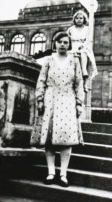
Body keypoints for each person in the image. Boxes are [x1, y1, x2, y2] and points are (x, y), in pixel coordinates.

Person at [30, 32, 84, 187]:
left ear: (69, 44)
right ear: (55, 43)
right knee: (50, 140)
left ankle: (63, 174)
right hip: (50, 100)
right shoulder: (48, 60)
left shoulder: (74, 61)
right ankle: (51, 172)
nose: (62, 44)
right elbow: (41, 81)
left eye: (65, 42)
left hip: (68, 101)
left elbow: (79, 83)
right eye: (59, 42)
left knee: (66, 140)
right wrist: (40, 99)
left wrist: (79, 103)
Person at [67, 10, 98, 92]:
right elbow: (67, 39)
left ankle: (84, 76)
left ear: (84, 19)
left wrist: (82, 46)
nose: (79, 20)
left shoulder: (87, 29)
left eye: (81, 18)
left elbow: (87, 40)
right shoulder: (71, 29)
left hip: (83, 46)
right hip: (73, 46)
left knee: (85, 55)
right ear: (74, 19)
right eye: (77, 18)